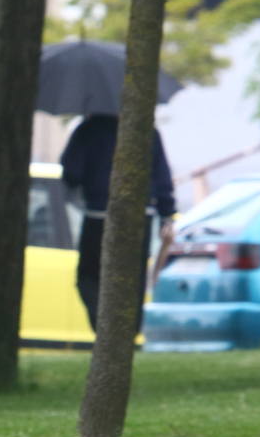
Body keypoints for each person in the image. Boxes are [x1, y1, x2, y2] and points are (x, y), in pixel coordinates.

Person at [59, 114, 176, 331]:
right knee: (133, 278)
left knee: (88, 276)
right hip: (140, 216)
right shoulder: (147, 131)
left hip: (98, 214)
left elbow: (71, 171)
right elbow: (162, 177)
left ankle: (103, 327)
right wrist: (167, 214)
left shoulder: (89, 128)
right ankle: (127, 331)